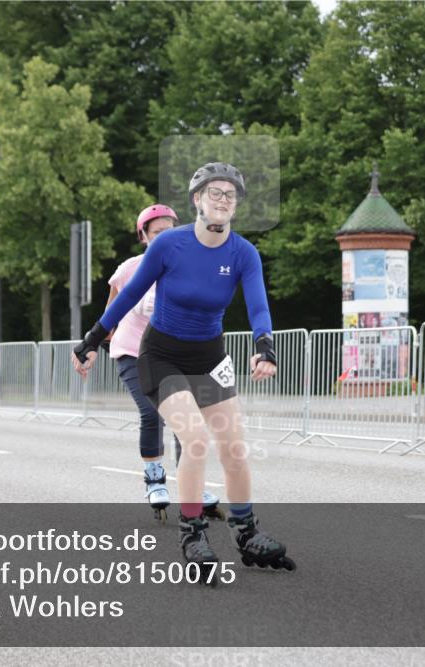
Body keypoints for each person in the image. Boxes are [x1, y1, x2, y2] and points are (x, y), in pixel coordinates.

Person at [73, 162, 294, 577]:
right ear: (197, 200)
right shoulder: (169, 246)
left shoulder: (243, 253)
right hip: (162, 356)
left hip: (210, 358)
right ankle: (193, 532)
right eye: (215, 193)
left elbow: (258, 305)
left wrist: (265, 345)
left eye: (230, 195)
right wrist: (92, 341)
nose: (223, 200)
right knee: (194, 439)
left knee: (234, 448)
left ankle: (245, 531)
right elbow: (127, 297)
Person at [106, 204, 223, 523]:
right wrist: (98, 338)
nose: (165, 237)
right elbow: (112, 306)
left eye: (171, 231)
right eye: (158, 232)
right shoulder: (131, 268)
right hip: (132, 350)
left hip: (175, 352)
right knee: (151, 411)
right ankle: (154, 479)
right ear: (143, 236)